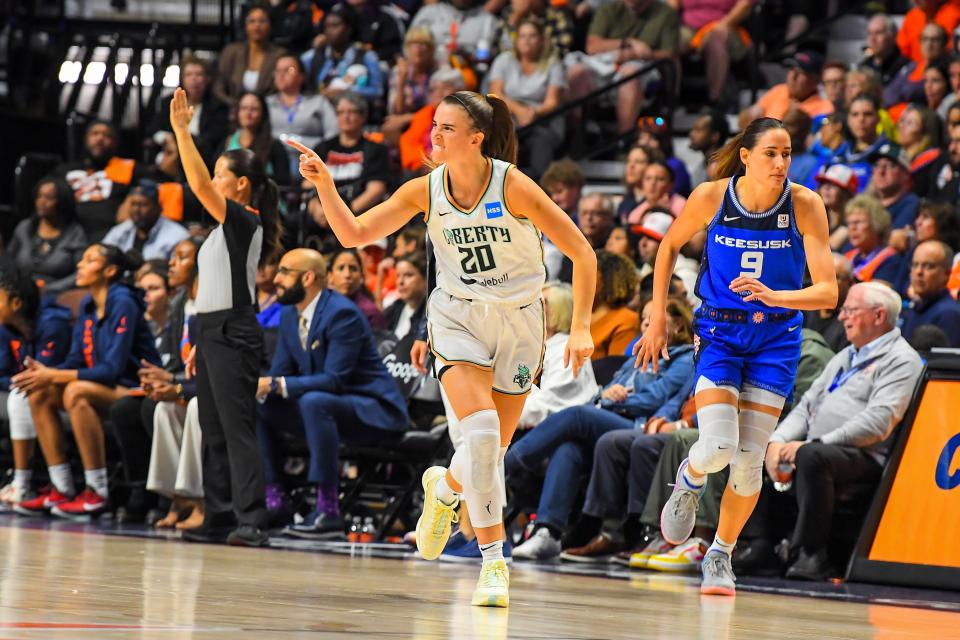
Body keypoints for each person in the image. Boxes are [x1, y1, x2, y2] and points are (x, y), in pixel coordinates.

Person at [289, 89, 596, 608]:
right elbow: (353, 233)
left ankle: (447, 488)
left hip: (520, 320)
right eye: (434, 125)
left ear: (477, 138)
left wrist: (582, 326)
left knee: (490, 449)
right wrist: (324, 184)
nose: (435, 134)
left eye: (447, 128)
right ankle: (495, 563)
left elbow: (583, 254)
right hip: (456, 317)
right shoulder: (424, 190)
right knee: (478, 435)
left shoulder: (513, 185)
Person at [634, 117, 838, 596]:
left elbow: (827, 292)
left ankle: (720, 555)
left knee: (748, 463)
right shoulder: (711, 196)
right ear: (745, 156)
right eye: (771, 153)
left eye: (787, 153)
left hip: (775, 339)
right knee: (720, 447)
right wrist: (659, 313)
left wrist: (776, 295)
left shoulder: (806, 204)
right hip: (721, 332)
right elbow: (667, 247)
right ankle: (690, 476)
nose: (781, 163)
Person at [169, 87, 283, 547]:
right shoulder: (220, 231)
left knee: (236, 428)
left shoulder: (245, 220)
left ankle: (252, 519)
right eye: (214, 175)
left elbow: (195, 185)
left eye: (220, 175)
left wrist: (182, 130)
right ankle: (217, 514)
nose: (212, 182)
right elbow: (211, 289)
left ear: (241, 185)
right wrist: (199, 337)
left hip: (236, 329)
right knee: (210, 425)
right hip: (213, 329)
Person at [510, 296, 694, 562]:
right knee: (568, 448)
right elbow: (600, 394)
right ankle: (547, 532)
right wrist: (606, 396)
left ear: (677, 325)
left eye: (651, 317)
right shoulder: (635, 357)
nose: (644, 322)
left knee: (576, 416)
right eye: (642, 317)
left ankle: (506, 463)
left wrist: (612, 398)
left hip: (641, 423)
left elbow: (656, 398)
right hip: (611, 418)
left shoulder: (683, 357)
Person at [765, 282, 923, 580]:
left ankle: (812, 555)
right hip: (822, 448)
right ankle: (759, 545)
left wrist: (814, 442)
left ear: (878, 316)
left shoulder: (902, 359)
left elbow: (878, 422)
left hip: (865, 457)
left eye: (850, 310)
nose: (841, 317)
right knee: (758, 445)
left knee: (813, 455)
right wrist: (778, 441)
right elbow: (806, 404)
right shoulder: (845, 355)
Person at [257, 248, 409, 538]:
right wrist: (264, 386)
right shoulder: (290, 314)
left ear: (308, 278)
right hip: (328, 410)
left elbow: (335, 380)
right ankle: (276, 499)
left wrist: (277, 384)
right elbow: (281, 373)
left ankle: (328, 510)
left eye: (284, 272)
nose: (276, 279)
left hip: (373, 410)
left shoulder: (342, 314)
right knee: (262, 404)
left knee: (314, 401)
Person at [12, 244, 161, 519]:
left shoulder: (123, 301)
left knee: (75, 391)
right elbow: (76, 360)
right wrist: (44, 372)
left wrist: (54, 375)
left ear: (110, 271)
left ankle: (97, 491)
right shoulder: (88, 304)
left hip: (139, 389)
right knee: (39, 392)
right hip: (107, 388)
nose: (80, 264)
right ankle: (62, 486)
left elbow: (112, 370)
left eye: (90, 260)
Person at [0, 268, 72, 510]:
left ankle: (47, 485)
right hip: (42, 387)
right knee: (20, 392)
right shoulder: (9, 328)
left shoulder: (54, 324)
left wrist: (17, 381)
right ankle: (22, 483)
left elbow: (48, 372)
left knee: (22, 395)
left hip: (67, 386)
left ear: (16, 303)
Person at [488, 16, 567, 181]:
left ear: (542, 40)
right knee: (499, 136)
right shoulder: (504, 60)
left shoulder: (553, 63)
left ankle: (539, 190)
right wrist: (520, 111)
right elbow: (496, 94)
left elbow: (552, 102)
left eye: (532, 36)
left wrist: (532, 114)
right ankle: (496, 184)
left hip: (543, 120)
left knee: (541, 142)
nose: (527, 41)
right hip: (509, 116)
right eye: (522, 36)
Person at [52, 120, 146, 241]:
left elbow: (154, 185)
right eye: (95, 133)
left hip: (109, 234)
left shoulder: (127, 168)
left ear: (115, 142)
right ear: (86, 139)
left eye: (107, 135)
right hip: (68, 232)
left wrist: (130, 199)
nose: (100, 138)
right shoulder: (66, 170)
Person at [6, 177, 88, 296]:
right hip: (20, 292)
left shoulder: (75, 233)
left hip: (56, 294)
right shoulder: (25, 227)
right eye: (39, 196)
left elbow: (81, 272)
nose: (41, 202)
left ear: (62, 201)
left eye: (49, 198)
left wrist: (50, 288)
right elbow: (8, 261)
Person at [148, 55, 229, 170]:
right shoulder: (169, 101)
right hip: (170, 155)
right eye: (189, 74)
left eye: (199, 74)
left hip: (203, 160)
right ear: (182, 78)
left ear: (207, 79)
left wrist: (179, 141)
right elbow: (153, 130)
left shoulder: (218, 106)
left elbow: (212, 139)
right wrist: (167, 138)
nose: (194, 79)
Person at [267, 55, 339, 177]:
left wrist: (318, 154)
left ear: (301, 76)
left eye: (288, 70)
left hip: (310, 160)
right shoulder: (266, 104)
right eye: (277, 71)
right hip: (272, 160)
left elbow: (334, 134)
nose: (281, 75)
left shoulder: (318, 102)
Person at [214, 3, 288, 102]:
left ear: (270, 25)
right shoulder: (231, 51)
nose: (257, 25)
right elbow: (219, 85)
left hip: (269, 110)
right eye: (252, 21)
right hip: (232, 109)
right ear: (246, 26)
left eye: (262, 21)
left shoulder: (280, 55)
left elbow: (281, 88)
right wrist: (235, 106)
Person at [103, 181, 190, 260]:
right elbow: (103, 255)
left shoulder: (177, 236)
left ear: (158, 208)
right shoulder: (120, 231)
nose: (136, 210)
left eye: (143, 205)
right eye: (133, 204)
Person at [224, 92, 292, 186]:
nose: (248, 113)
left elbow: (283, 181)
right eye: (244, 108)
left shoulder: (274, 145)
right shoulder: (228, 141)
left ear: (263, 114)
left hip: (264, 198)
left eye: (254, 109)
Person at [901, 240, 960, 346]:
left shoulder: (949, 314)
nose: (918, 272)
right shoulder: (913, 309)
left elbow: (944, 361)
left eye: (928, 266)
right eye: (915, 265)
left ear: (947, 273)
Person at [327, 248, 386, 330]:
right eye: (341, 268)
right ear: (330, 276)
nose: (347, 275)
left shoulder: (370, 312)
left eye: (353, 269)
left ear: (361, 276)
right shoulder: (321, 307)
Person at [860, 14, 909, 86]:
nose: (872, 39)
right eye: (870, 33)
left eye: (878, 33)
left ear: (892, 36)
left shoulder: (905, 67)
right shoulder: (864, 68)